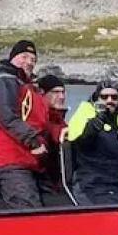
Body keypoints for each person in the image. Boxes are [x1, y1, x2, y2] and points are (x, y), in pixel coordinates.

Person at [0, 39, 53, 207]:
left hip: (30, 161)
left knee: (51, 207)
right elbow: (7, 117)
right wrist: (34, 142)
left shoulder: (26, 86)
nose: (29, 62)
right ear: (13, 58)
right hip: (11, 161)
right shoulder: (4, 81)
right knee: (28, 212)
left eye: (33, 59)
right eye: (24, 57)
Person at [65, 82, 118, 206]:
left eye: (114, 97)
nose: (109, 100)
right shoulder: (85, 115)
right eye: (104, 97)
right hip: (92, 183)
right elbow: (80, 144)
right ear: (96, 99)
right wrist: (93, 128)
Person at [37, 73, 72, 203]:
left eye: (63, 92)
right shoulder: (41, 120)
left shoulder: (60, 120)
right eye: (56, 92)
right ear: (42, 94)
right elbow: (56, 135)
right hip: (46, 182)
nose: (61, 96)